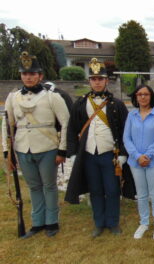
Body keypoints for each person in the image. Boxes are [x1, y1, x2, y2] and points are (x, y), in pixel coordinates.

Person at [5, 51, 70, 238]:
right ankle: (37, 222)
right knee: (33, 187)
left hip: (47, 146)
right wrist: (7, 153)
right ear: (21, 75)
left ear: (40, 76)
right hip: (23, 148)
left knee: (49, 185)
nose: (28, 77)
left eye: (32, 74)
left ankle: (52, 221)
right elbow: (8, 126)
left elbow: (65, 123)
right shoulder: (13, 98)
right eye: (25, 74)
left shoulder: (52, 97)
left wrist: (62, 150)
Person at [65, 58, 130, 238]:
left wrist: (123, 154)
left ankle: (113, 222)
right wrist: (72, 154)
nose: (97, 82)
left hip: (110, 155)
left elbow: (126, 131)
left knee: (112, 190)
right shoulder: (79, 103)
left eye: (100, 79)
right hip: (88, 155)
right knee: (95, 191)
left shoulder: (117, 104)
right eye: (94, 79)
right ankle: (99, 223)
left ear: (106, 81)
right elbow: (72, 130)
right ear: (90, 82)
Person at [123, 84, 154, 240]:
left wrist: (147, 156)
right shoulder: (131, 116)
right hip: (136, 162)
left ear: (151, 96)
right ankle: (144, 222)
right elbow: (126, 138)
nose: (143, 97)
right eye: (139, 94)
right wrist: (137, 156)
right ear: (136, 97)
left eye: (146, 94)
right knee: (141, 194)